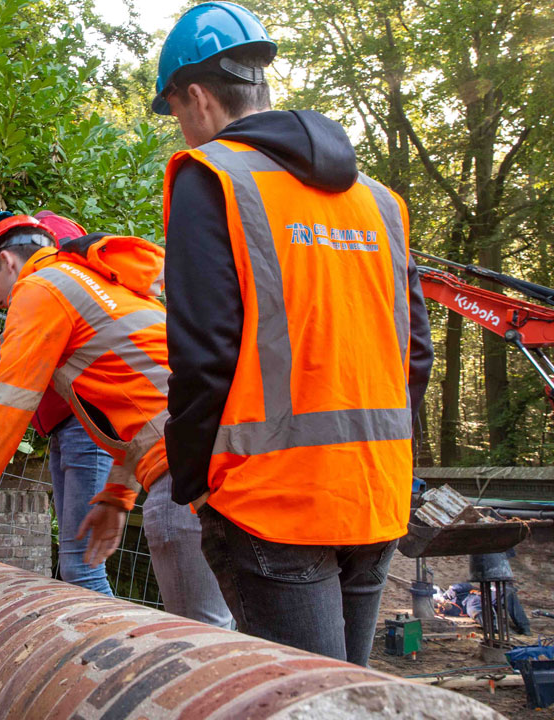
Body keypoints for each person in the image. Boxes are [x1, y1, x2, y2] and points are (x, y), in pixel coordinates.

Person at [155, 2, 434, 665]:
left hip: (271, 506)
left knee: (297, 701)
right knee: (346, 694)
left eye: (176, 114)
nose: (182, 134)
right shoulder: (380, 201)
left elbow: (203, 356)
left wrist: (191, 483)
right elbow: (415, 354)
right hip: (375, 493)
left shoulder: (213, 177)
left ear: (196, 97)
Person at [0, 212, 231, 628]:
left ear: (7, 262)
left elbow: (5, 408)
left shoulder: (39, 289)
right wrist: (116, 497)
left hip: (190, 464)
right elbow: (145, 405)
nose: (2, 302)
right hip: (226, 444)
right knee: (249, 621)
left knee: (205, 635)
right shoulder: (102, 284)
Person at [0, 210, 116, 596]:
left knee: (82, 569)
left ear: (2, 257)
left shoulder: (51, 255)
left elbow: (9, 401)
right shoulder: (42, 266)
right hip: (72, 420)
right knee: (77, 565)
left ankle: (120, 651)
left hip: (86, 418)